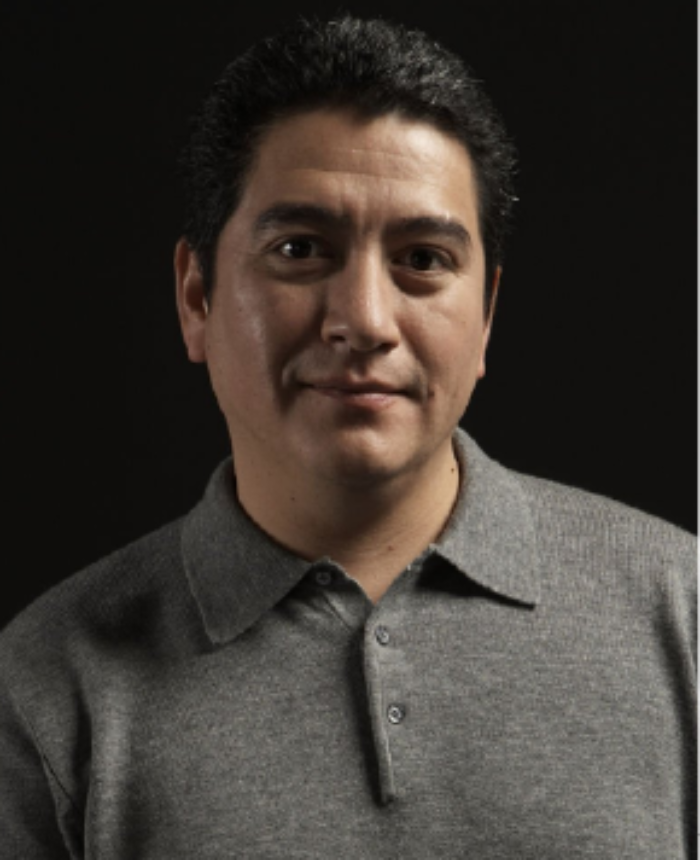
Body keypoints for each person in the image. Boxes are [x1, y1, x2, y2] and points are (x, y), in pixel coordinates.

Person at [1, 14, 698, 858]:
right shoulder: (42, 688)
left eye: (423, 260)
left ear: (486, 315)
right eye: (301, 249)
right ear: (196, 298)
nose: (365, 320)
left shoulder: (684, 616)